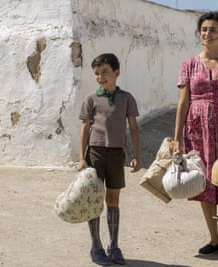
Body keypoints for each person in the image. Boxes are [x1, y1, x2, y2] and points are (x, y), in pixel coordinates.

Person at [173, 11, 218, 262]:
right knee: (204, 184)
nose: (207, 34)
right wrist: (176, 138)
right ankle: (214, 239)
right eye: (204, 29)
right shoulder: (189, 65)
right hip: (196, 130)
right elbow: (183, 103)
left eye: (213, 30)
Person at [78, 53, 141, 266]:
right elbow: (85, 129)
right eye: (96, 73)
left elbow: (133, 128)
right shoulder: (91, 99)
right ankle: (96, 246)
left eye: (105, 72)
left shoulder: (126, 98)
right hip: (95, 153)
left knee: (113, 200)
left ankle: (114, 246)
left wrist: (137, 156)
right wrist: (81, 158)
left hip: (116, 155)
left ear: (117, 73)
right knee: (94, 201)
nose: (100, 77)